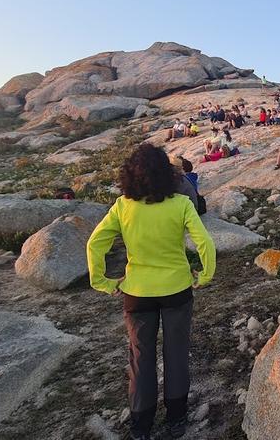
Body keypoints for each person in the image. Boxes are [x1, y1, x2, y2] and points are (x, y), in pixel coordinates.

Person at [86, 143, 217, 440]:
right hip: (177, 289)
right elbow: (205, 243)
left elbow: (95, 244)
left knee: (141, 358)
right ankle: (176, 418)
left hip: (137, 293)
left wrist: (103, 282)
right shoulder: (182, 204)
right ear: (167, 174)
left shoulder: (122, 206)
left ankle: (141, 424)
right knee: (177, 353)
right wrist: (205, 274)